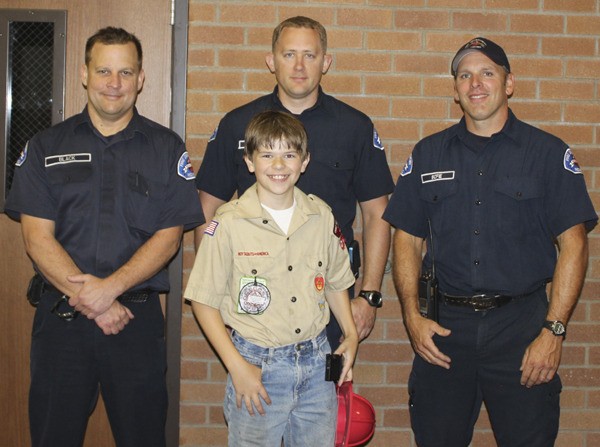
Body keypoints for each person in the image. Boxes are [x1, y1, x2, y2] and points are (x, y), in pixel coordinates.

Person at [383, 37, 597, 447]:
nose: (475, 84)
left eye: (486, 73)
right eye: (465, 76)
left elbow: (574, 244)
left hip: (522, 329)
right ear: (456, 89)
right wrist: (412, 316)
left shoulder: (547, 154)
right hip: (445, 329)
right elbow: (406, 238)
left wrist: (553, 331)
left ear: (509, 83)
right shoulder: (428, 154)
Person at [4, 27, 204, 447]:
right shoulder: (45, 146)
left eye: (125, 72)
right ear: (84, 74)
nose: (114, 83)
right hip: (61, 321)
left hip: (135, 322)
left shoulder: (166, 148)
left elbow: (169, 239)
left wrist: (109, 291)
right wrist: (94, 301)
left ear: (141, 79)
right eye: (103, 71)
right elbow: (36, 239)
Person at [194, 16, 394, 348]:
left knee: (327, 380)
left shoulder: (354, 127)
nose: (299, 66)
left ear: (325, 62)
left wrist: (369, 295)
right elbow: (207, 210)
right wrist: (217, 296)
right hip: (255, 298)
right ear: (271, 61)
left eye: (309, 55)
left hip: (329, 294)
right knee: (253, 381)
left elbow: (377, 213)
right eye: (289, 55)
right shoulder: (237, 125)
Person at [185, 110, 358, 446]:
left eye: (289, 155)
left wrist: (350, 335)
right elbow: (203, 303)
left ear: (304, 161)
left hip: (317, 366)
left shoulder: (321, 216)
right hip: (257, 366)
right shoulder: (228, 223)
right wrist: (237, 368)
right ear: (249, 161)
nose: (279, 165)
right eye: (267, 155)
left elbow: (336, 281)